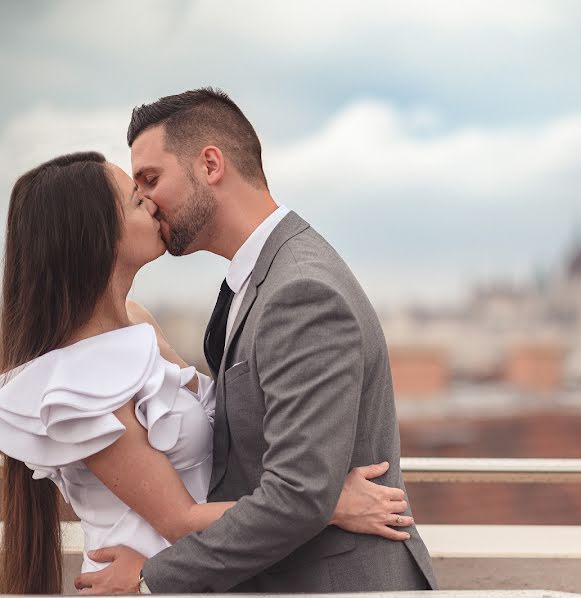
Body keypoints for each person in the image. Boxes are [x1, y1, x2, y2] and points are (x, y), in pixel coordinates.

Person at [0, 152, 414, 594]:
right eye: (137, 201)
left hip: (202, 576)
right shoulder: (78, 386)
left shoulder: (139, 323)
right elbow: (180, 520)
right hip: (140, 582)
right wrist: (327, 504)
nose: (154, 204)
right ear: (97, 235)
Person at [75, 88, 436, 593]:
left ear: (210, 164)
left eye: (151, 180)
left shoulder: (301, 291)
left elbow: (297, 497)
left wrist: (149, 579)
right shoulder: (254, 281)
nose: (147, 202)